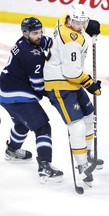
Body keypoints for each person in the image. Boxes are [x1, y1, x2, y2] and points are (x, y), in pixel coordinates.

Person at [43, 3, 103, 186]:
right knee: (76, 126)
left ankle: (88, 152)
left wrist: (89, 24)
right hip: (60, 84)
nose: (79, 25)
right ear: (70, 20)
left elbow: (70, 17)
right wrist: (90, 84)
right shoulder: (71, 41)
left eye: (82, 22)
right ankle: (82, 165)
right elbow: (72, 73)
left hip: (70, 83)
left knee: (89, 116)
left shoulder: (63, 21)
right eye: (76, 22)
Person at [0, 17, 63, 183]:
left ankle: (12, 150)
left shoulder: (22, 42)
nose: (40, 36)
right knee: (42, 127)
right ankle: (45, 167)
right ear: (25, 33)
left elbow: (44, 43)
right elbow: (37, 85)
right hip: (19, 95)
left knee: (22, 124)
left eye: (40, 32)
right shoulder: (32, 56)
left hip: (4, 93)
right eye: (36, 33)